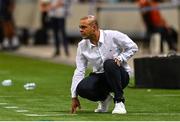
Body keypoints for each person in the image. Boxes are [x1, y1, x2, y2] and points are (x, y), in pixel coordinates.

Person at [70, 15, 138, 114]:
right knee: (81, 88)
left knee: (109, 64)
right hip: (100, 77)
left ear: (93, 27)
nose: (80, 30)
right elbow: (79, 70)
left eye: (83, 27)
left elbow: (133, 47)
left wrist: (121, 58)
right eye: (80, 27)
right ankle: (104, 99)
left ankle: (119, 102)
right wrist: (74, 96)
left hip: (120, 75)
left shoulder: (113, 35)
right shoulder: (82, 46)